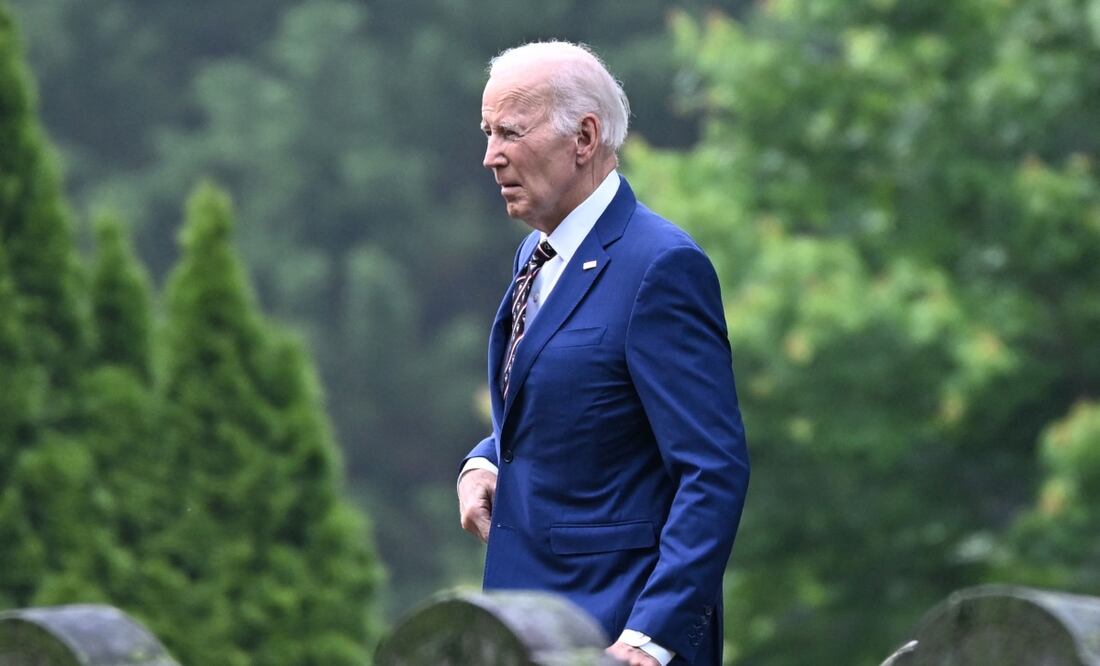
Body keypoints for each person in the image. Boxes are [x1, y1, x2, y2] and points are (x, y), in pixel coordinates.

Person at [458, 40, 750, 666]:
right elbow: (569, 401)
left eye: (510, 132)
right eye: (487, 133)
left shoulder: (661, 267)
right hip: (529, 632)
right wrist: (485, 461)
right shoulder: (536, 254)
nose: (491, 156)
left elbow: (712, 470)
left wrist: (652, 636)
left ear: (584, 138)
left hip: (619, 636)